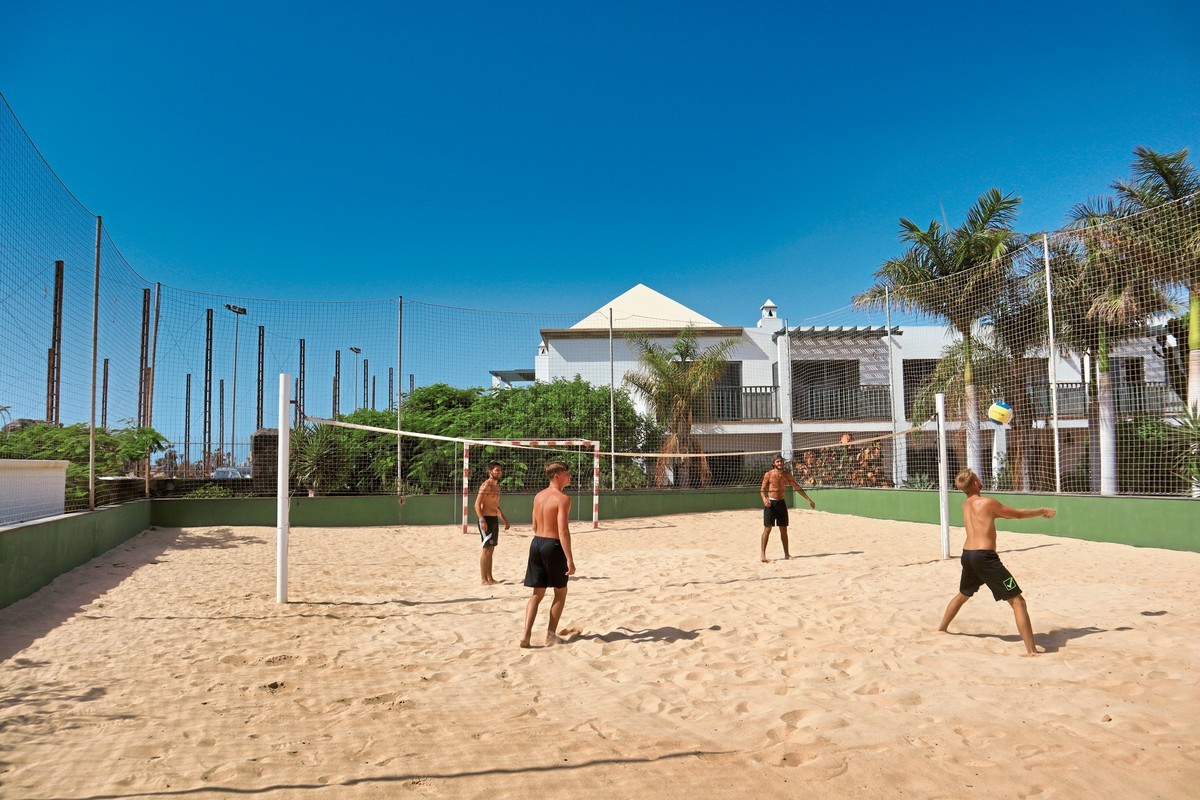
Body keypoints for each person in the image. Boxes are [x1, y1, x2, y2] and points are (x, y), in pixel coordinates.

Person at [937, 468, 1056, 657]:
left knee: (963, 594)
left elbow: (994, 516)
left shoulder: (966, 505)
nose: (980, 479)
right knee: (1018, 602)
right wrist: (1041, 511)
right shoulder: (988, 503)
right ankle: (1032, 651)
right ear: (975, 483)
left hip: (968, 555)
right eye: (977, 478)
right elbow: (1016, 514)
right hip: (985, 558)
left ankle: (941, 628)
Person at [521, 460, 576, 648]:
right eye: (567, 473)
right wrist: (570, 559)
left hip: (536, 543)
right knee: (560, 593)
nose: (570, 476)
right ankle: (551, 635)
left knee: (537, 593)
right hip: (553, 545)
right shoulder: (563, 499)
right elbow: (563, 531)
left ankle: (525, 635)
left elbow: (534, 525)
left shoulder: (538, 496)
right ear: (557, 475)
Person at [759, 454, 816, 562]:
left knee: (783, 529)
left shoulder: (787, 475)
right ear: (773, 463)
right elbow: (762, 489)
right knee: (767, 529)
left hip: (781, 503)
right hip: (770, 504)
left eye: (781, 461)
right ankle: (763, 555)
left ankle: (786, 554)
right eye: (777, 462)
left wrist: (808, 499)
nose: (780, 463)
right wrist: (764, 499)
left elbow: (797, 487)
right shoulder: (769, 474)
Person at [473, 461, 510, 585]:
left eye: (500, 470)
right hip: (486, 519)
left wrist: (504, 520)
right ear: (490, 472)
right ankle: (484, 579)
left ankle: (490, 578)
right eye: (496, 470)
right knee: (486, 550)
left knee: (491, 550)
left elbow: (496, 506)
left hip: (494, 519)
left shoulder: (497, 487)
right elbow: (477, 505)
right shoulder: (486, 486)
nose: (499, 472)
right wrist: (482, 519)